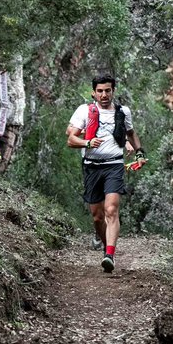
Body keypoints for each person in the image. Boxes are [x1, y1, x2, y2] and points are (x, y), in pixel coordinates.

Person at [67, 75, 145, 273]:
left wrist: (139, 152)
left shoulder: (122, 112)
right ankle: (105, 245)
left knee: (111, 209)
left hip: (114, 165)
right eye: (100, 91)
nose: (104, 94)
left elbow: (131, 133)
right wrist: (87, 143)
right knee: (97, 217)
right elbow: (71, 139)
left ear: (113, 91)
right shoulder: (85, 111)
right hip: (92, 166)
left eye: (108, 90)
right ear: (94, 92)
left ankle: (110, 254)